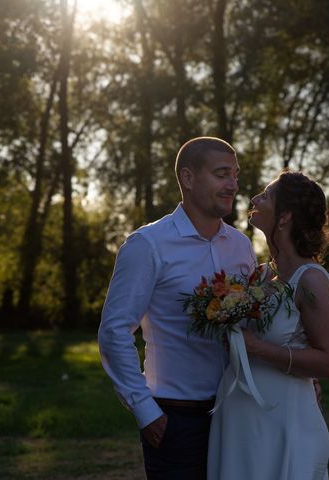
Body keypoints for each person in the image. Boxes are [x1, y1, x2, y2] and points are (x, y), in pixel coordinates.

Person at [98, 137, 256, 479]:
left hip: (237, 413)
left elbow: (253, 327)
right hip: (175, 421)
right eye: (221, 174)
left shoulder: (241, 246)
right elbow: (114, 331)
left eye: (235, 174)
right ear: (187, 178)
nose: (233, 184)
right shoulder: (147, 245)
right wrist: (145, 411)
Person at [207, 170, 329, 480]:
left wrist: (258, 349)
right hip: (240, 421)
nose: (255, 199)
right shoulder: (262, 276)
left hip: (283, 422)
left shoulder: (311, 280)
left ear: (284, 217)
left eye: (265, 195)